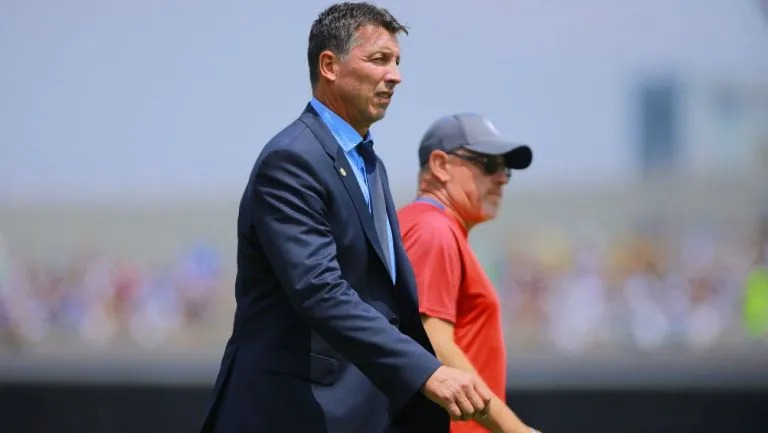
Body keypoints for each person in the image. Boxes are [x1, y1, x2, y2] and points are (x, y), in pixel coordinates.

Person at [200, 4, 494, 433]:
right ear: (329, 65)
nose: (395, 75)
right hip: (290, 413)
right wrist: (426, 371)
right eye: (379, 59)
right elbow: (320, 291)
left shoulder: (368, 162)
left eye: (397, 62)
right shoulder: (291, 160)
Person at [398, 114, 540, 433]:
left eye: (505, 169)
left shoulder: (428, 227)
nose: (502, 178)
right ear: (440, 165)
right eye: (489, 164)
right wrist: (518, 431)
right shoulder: (432, 229)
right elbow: (432, 345)